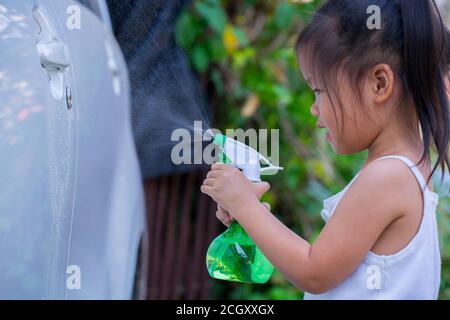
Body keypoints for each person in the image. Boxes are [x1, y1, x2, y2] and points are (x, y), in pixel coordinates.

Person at [201, 0, 450, 299]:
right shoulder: (406, 168)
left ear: (379, 84)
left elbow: (314, 272)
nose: (314, 109)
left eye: (319, 90)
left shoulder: (388, 177)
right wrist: (253, 217)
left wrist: (245, 205)